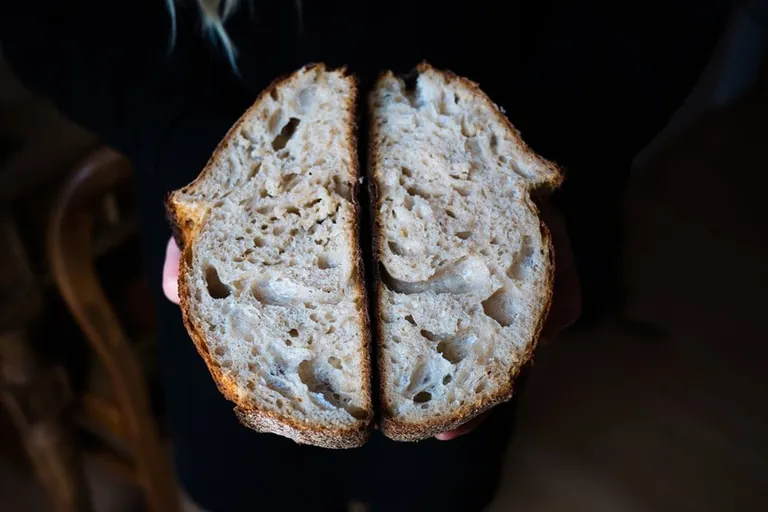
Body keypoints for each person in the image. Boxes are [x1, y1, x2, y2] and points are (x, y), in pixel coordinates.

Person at [0, 1, 730, 510]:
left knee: (435, 481)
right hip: (241, 256)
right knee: (251, 485)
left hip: (474, 222)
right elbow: (49, 17)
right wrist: (213, 162)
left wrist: (548, 142)